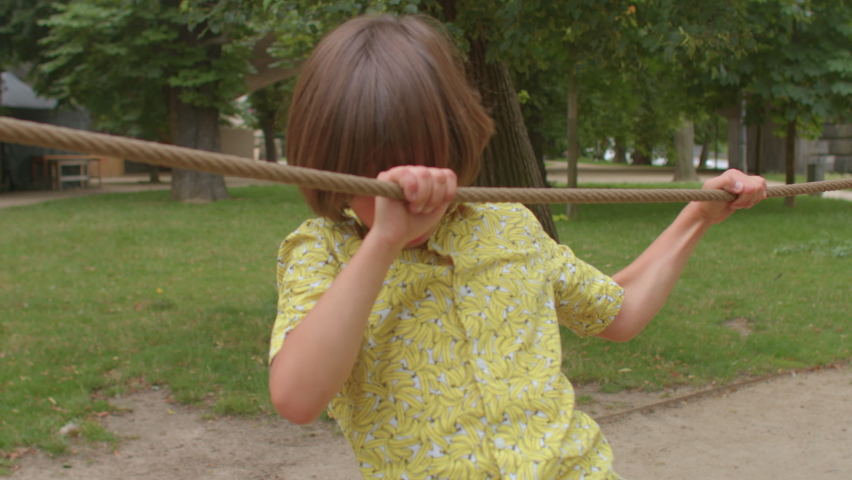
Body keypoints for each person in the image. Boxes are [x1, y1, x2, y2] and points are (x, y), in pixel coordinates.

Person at [267, 14, 766, 480]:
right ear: (328, 161)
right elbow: (296, 397)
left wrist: (699, 214)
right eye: (372, 170)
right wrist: (383, 242)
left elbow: (621, 311)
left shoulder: (510, 226)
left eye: (424, 157)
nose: (407, 186)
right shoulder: (323, 252)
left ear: (457, 142)